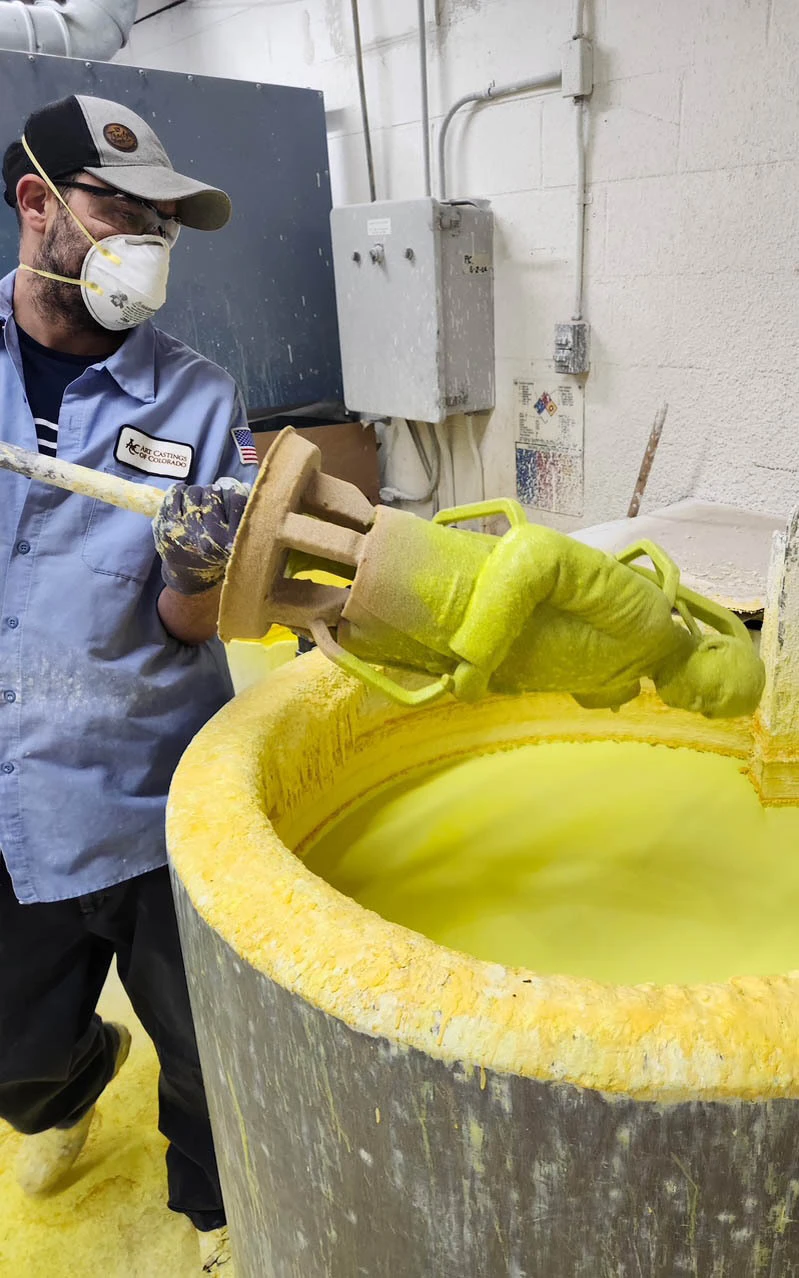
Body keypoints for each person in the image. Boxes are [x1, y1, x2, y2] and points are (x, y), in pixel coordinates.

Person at [0, 94, 258, 1274]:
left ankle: (213, 1215)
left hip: (158, 790)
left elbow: (182, 624)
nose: (145, 241)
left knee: (213, 1056)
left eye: (163, 219)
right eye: (119, 207)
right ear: (38, 203)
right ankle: (70, 1086)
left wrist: (203, 565)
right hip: (15, 802)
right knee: (15, 1054)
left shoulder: (197, 399)